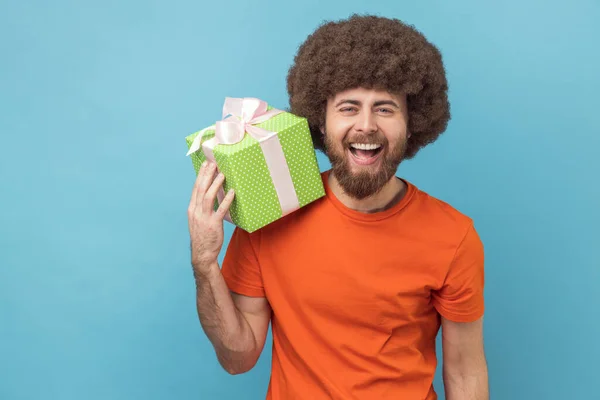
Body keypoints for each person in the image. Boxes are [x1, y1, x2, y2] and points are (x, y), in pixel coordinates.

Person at [187, 14, 489, 400]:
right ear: (321, 121)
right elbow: (238, 358)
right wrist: (204, 263)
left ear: (411, 124)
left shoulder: (454, 236)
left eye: (385, 108)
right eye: (348, 108)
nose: (366, 125)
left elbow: (466, 372)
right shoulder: (272, 216)